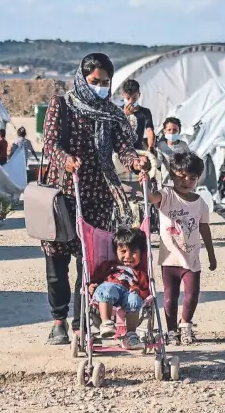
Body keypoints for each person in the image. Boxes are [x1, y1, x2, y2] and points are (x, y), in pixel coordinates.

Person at [42, 53, 151, 345]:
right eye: (94, 82)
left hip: (97, 196)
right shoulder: (62, 104)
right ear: (82, 78)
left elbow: (124, 148)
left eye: (105, 83)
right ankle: (58, 320)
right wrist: (64, 159)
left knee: (90, 263)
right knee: (57, 262)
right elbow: (50, 143)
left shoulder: (112, 113)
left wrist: (136, 161)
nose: (100, 88)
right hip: (63, 193)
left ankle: (81, 323)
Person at [141, 151, 217, 345]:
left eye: (192, 178)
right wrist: (146, 179)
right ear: (173, 174)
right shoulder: (166, 195)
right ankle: (172, 330)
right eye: (181, 175)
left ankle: (186, 325)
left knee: (192, 295)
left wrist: (211, 253)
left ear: (198, 180)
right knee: (170, 298)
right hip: (170, 260)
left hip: (191, 259)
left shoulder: (200, 204)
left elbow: (204, 229)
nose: (186, 181)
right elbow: (150, 197)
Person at [89, 227, 149, 350]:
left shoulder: (139, 272)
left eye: (133, 252)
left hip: (127, 294)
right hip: (108, 290)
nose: (128, 256)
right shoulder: (108, 266)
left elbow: (145, 291)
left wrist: (139, 292)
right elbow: (94, 280)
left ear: (141, 253)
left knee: (134, 299)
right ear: (116, 251)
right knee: (107, 288)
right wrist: (92, 285)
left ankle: (131, 335)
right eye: (123, 251)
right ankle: (106, 323)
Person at [122, 80, 156, 153]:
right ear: (123, 95)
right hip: (121, 152)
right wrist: (124, 115)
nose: (131, 101)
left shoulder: (145, 112)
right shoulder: (117, 110)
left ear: (139, 95)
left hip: (138, 151)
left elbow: (150, 130)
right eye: (128, 98)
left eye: (134, 98)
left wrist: (151, 147)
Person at [156, 117, 190, 185]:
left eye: (175, 130)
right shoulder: (161, 146)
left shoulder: (183, 145)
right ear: (164, 131)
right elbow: (158, 164)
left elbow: (189, 162)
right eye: (169, 130)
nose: (172, 132)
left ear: (179, 131)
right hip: (167, 183)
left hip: (181, 183)